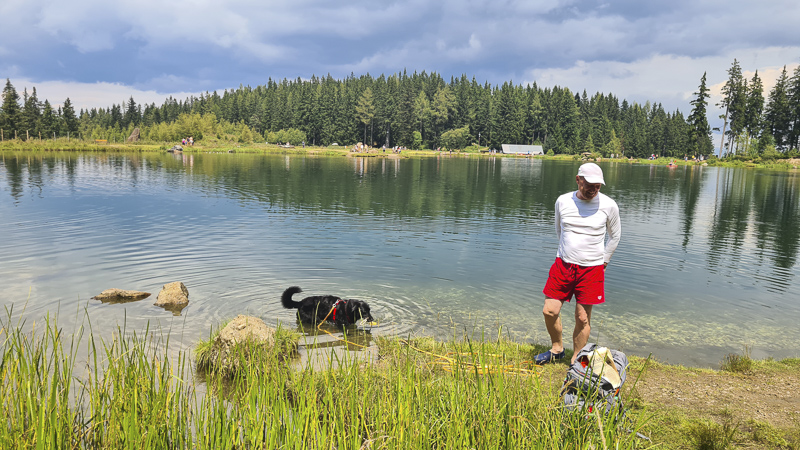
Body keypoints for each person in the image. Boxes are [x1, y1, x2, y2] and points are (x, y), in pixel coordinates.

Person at [535, 163, 621, 365]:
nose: (594, 189)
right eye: (590, 184)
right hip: (563, 264)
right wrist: (567, 251)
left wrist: (604, 261)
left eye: (598, 186)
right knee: (549, 310)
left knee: (582, 318)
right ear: (578, 179)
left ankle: (576, 360)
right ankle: (557, 349)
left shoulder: (609, 205)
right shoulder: (563, 201)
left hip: (592, 268)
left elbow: (615, 236)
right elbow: (559, 230)